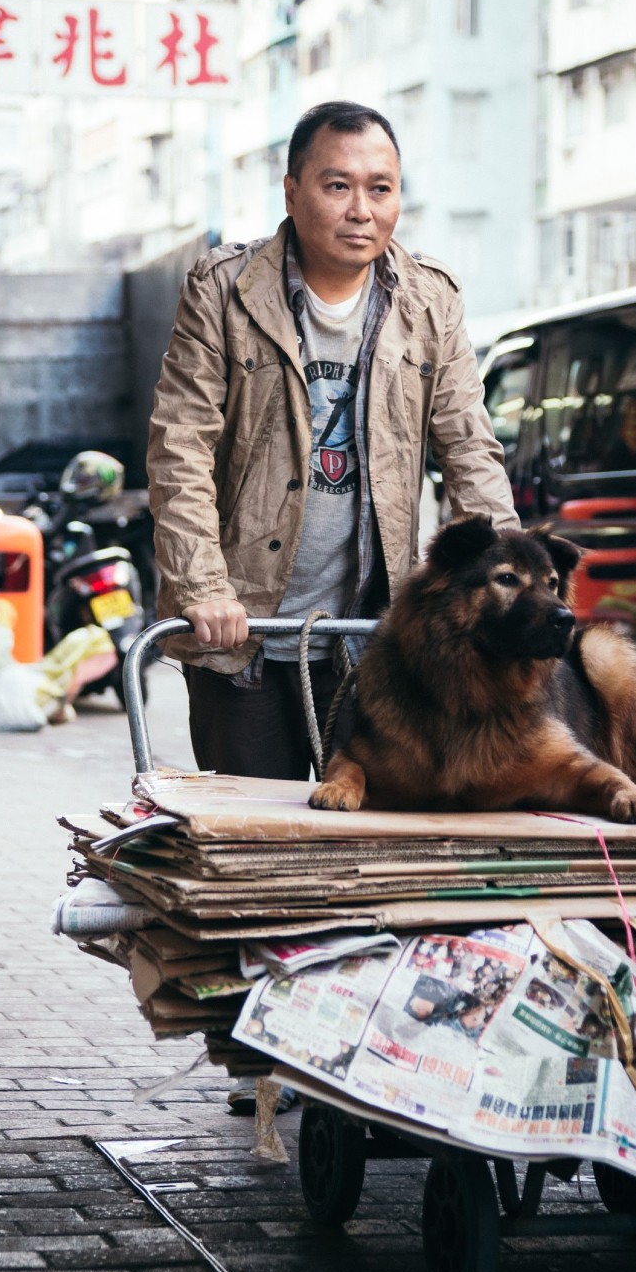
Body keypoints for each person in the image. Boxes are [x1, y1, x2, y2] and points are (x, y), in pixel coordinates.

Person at [147, 99, 519, 786]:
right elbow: (180, 449)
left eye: (381, 188)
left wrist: (510, 586)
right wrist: (203, 587)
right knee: (257, 836)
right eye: (337, 185)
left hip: (375, 638)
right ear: (292, 191)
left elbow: (470, 449)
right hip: (244, 636)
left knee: (371, 831)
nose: (361, 210)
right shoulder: (223, 291)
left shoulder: (429, 302)